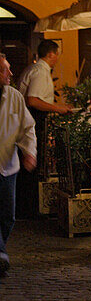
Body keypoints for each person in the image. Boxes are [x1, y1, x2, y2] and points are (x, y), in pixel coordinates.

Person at [16, 39, 70, 218]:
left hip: (28, 120)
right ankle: (27, 209)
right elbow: (33, 100)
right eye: (57, 54)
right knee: (30, 163)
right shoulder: (39, 71)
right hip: (31, 121)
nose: (58, 58)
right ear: (52, 54)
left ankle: (26, 207)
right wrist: (58, 108)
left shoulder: (36, 69)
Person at [0, 53, 37, 275]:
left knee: (7, 215)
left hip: (8, 166)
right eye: (5, 69)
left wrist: (29, 152)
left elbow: (27, 128)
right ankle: (1, 254)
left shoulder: (13, 97)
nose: (11, 74)